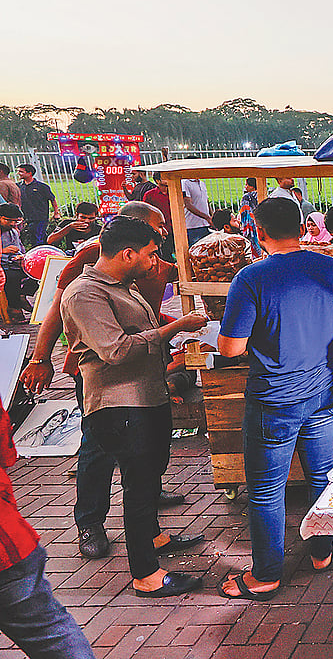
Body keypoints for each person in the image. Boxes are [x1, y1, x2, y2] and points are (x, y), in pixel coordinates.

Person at [18, 201, 186, 561]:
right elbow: (65, 311)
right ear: (131, 244)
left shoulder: (133, 275)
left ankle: (149, 527)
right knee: (99, 450)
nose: (163, 236)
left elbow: (148, 313)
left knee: (144, 467)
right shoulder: (90, 273)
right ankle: (91, 524)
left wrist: (169, 341)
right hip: (107, 385)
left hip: (143, 380)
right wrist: (40, 358)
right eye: (157, 230)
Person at [60, 216, 208, 597]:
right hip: (119, 404)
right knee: (139, 487)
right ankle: (146, 575)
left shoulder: (124, 285)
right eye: (150, 254)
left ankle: (154, 538)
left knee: (152, 472)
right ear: (127, 254)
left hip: (148, 395)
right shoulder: (84, 293)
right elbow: (117, 350)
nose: (155, 261)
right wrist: (173, 330)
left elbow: (142, 328)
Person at [217, 197, 333, 600]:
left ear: (258, 231)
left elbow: (230, 348)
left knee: (265, 490)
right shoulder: (331, 267)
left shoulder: (250, 278)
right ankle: (322, 551)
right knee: (322, 475)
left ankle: (267, 574)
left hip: (276, 398)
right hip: (323, 389)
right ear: (302, 227)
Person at [0, 395, 97, 658]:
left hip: (8, 548)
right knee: (51, 633)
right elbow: (6, 453)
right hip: (7, 546)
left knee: (50, 632)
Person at [0, 204, 37, 322]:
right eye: (7, 220)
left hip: (13, 264)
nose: (11, 224)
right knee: (11, 277)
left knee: (37, 272)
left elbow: (20, 249)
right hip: (2, 267)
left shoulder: (13, 232)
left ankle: (23, 295)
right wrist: (3, 251)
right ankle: (13, 307)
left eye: (15, 221)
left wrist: (21, 257)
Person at [15, 164, 58, 247]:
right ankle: (47, 249)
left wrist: (56, 212)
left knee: (37, 239)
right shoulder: (18, 186)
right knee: (38, 237)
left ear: (29, 173)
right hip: (26, 217)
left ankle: (40, 254)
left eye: (21, 171)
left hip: (40, 217)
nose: (18, 173)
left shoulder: (42, 186)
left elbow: (52, 199)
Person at [181, 176, 211, 246]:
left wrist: (211, 217)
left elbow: (206, 201)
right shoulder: (185, 183)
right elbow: (188, 204)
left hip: (205, 225)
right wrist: (207, 217)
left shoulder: (202, 183)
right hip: (193, 226)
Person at [239, 178, 261, 257]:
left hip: (252, 227)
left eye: (247, 185)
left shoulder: (247, 197)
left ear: (252, 186)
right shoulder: (263, 194)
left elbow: (245, 213)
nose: (245, 187)